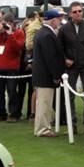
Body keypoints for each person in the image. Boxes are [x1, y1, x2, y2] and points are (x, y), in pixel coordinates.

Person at [59, 1, 84, 132]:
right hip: (71, 67)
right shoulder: (64, 29)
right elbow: (60, 47)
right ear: (70, 14)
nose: (78, 14)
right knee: (69, 95)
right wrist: (65, 59)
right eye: (75, 12)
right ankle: (72, 124)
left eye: (80, 11)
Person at [32, 8, 66, 137]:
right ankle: (43, 129)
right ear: (53, 20)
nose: (59, 21)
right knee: (44, 103)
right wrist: (56, 75)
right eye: (58, 19)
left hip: (41, 74)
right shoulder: (47, 35)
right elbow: (51, 57)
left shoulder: (42, 33)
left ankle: (42, 127)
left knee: (43, 102)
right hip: (45, 75)